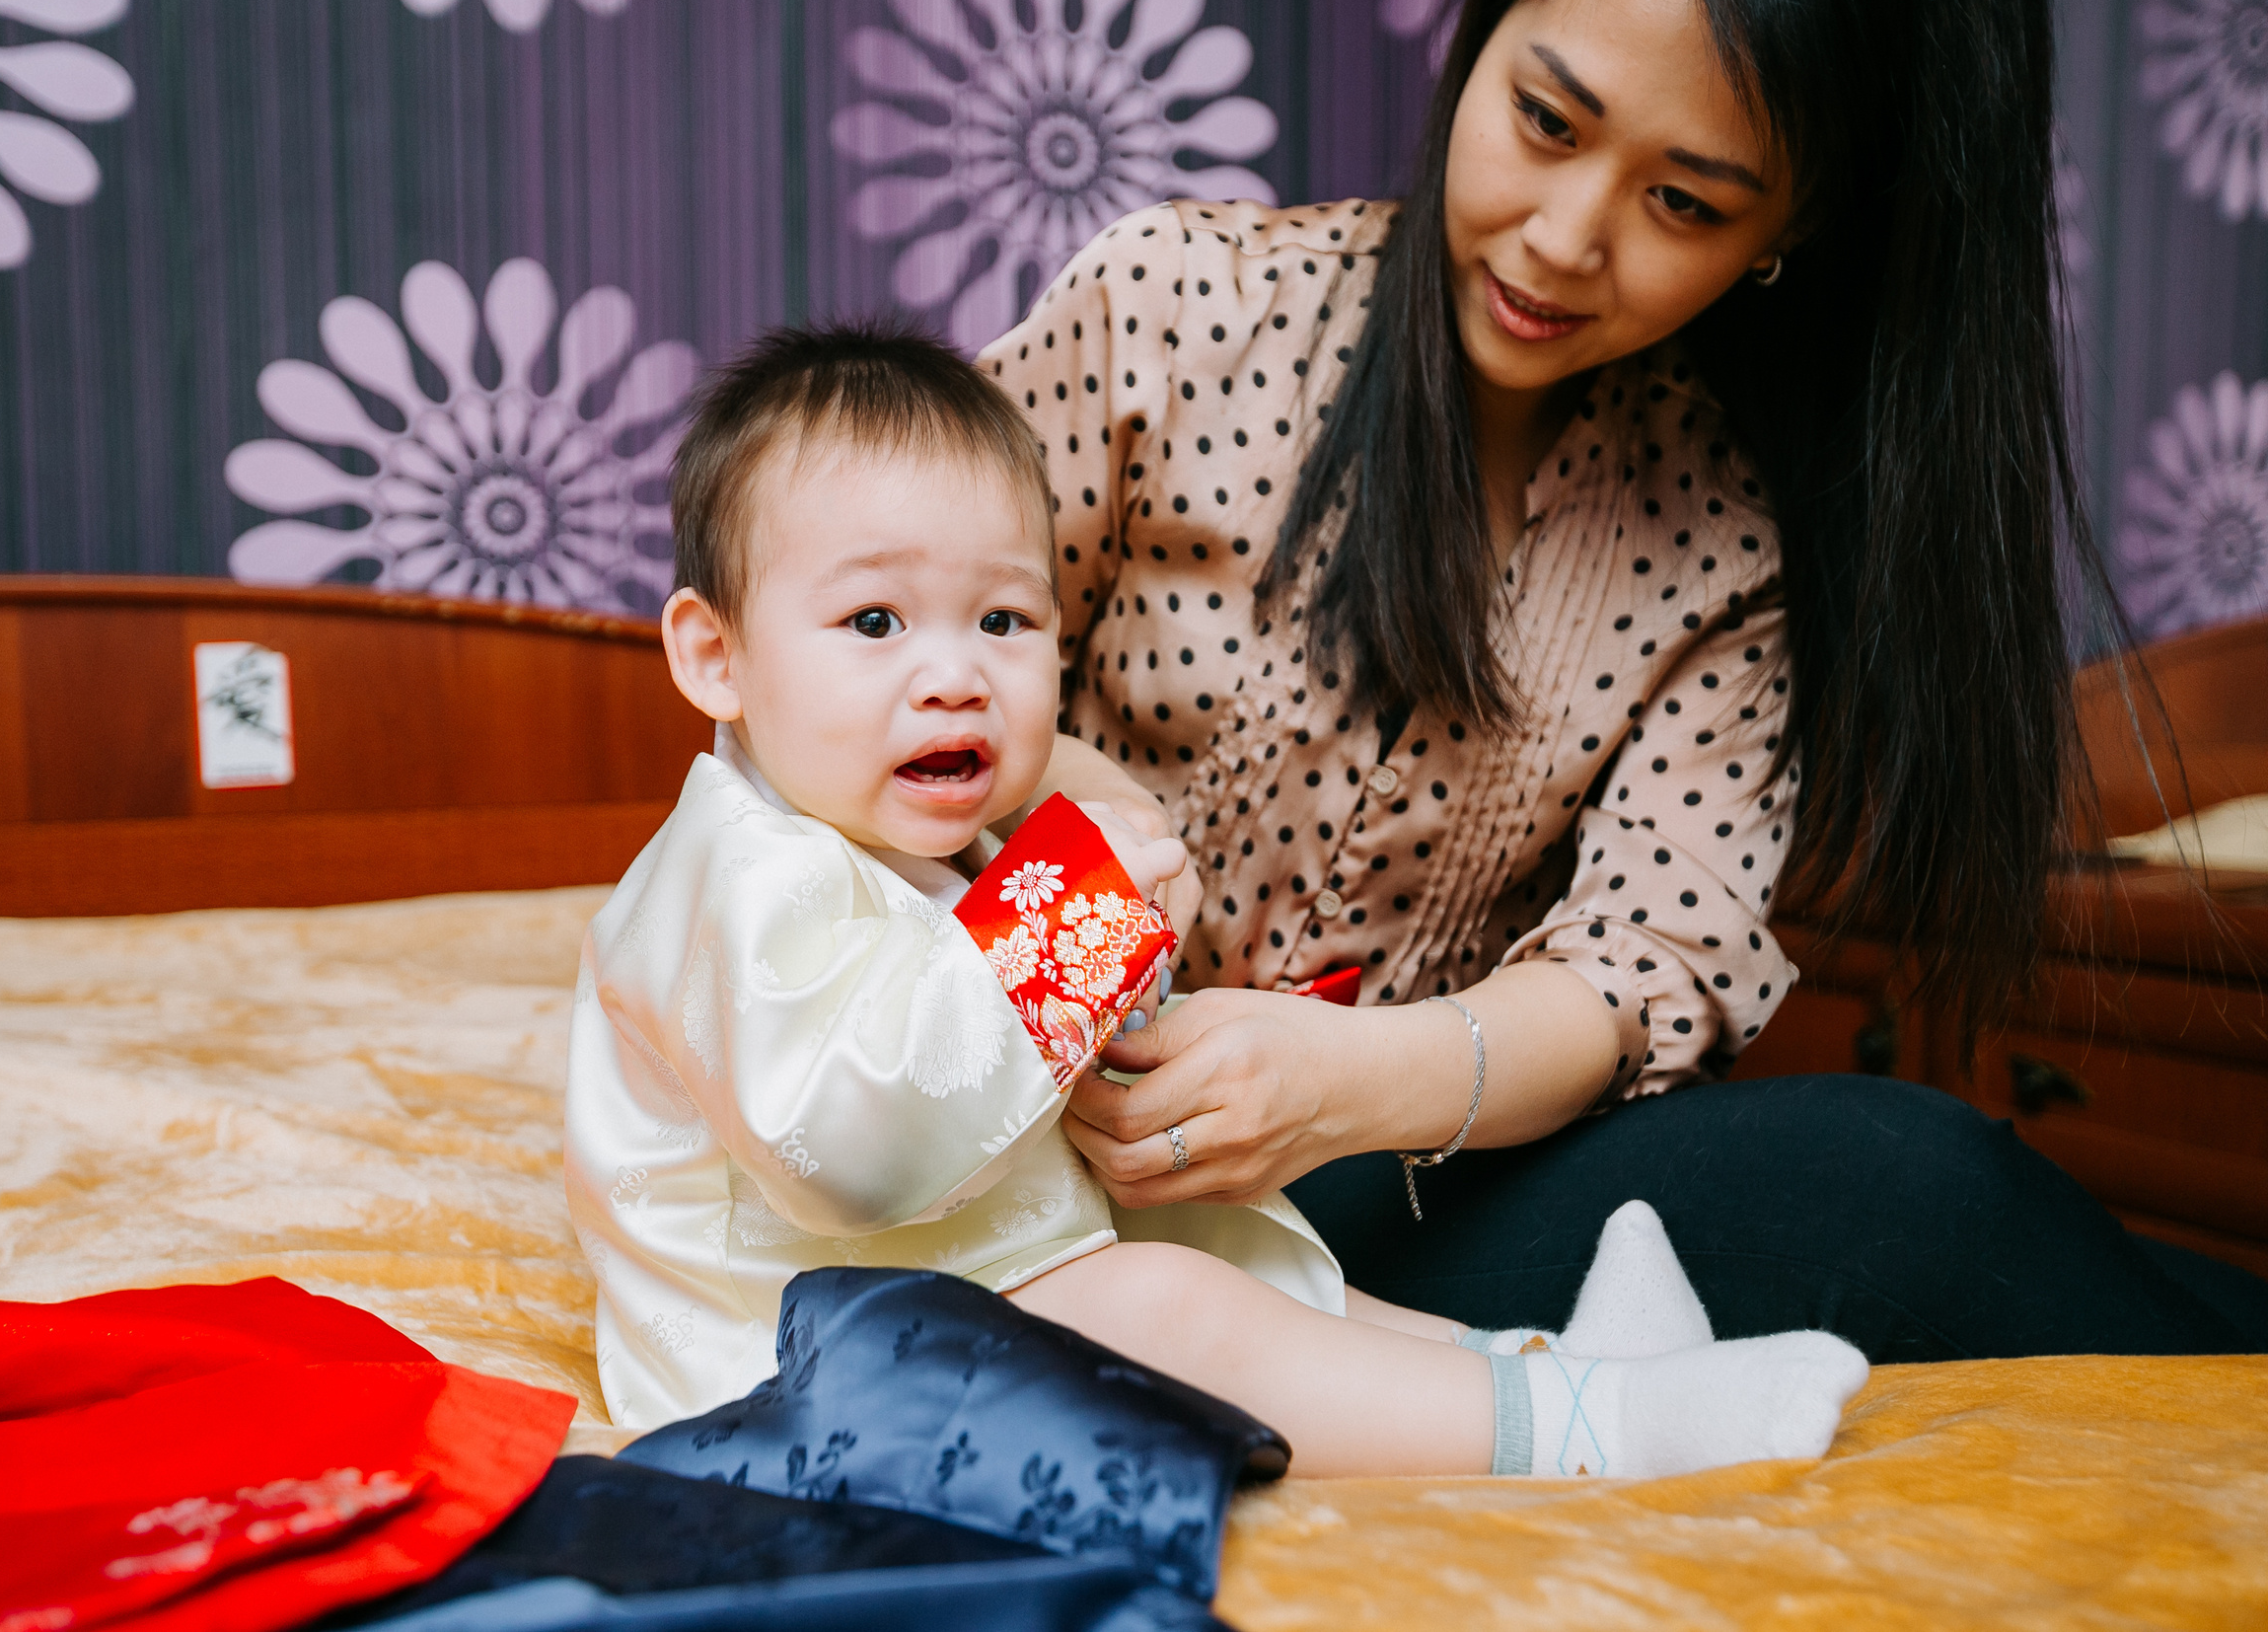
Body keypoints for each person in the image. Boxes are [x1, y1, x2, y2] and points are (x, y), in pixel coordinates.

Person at [983, 0, 2268, 1359]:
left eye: (1683, 202)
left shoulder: (1725, 540)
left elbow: (1635, 969)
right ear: (1485, 39)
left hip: (1378, 1192)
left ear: (1781, 232)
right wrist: (1094, 868)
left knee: (1927, 1191)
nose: (1564, 239)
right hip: (997, 1161)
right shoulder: (1180, 310)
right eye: (1547, 121)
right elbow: (862, 678)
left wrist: (1341, 1081)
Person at [563, 320, 1871, 1477]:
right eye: (874, 624)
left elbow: (986, 1063)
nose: (955, 676)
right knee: (1162, 1309)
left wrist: (1123, 951)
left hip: (936, 1288)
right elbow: (851, 1149)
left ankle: (1555, 1362)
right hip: (781, 1374)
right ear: (714, 655)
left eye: (1005, 624)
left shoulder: (891, 835)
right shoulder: (734, 880)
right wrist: (1074, 915)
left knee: (1243, 1255)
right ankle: (1599, 1437)